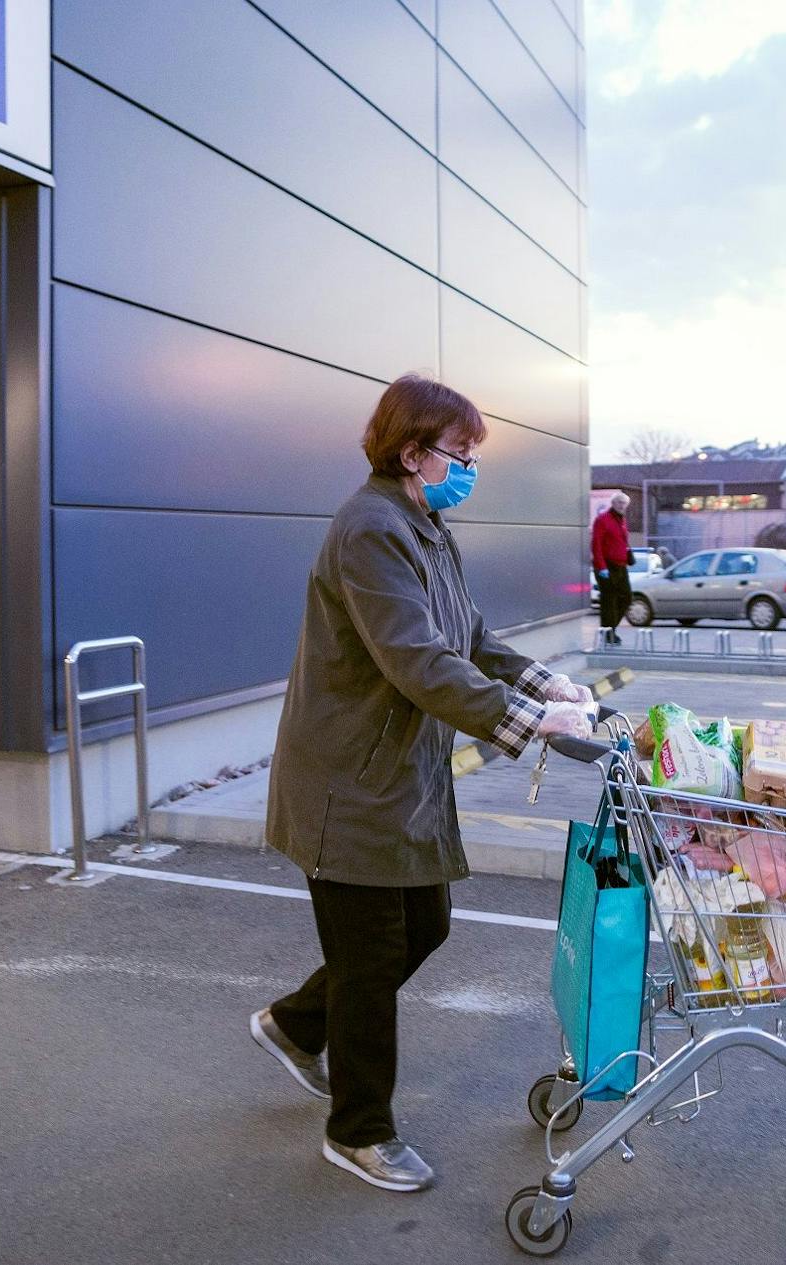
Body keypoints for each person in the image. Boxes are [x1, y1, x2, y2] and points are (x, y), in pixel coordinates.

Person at [252, 374, 599, 1193]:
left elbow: (469, 635)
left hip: (397, 778)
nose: (470, 468)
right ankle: (358, 1129)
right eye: (461, 453)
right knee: (370, 958)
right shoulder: (370, 529)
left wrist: (546, 684)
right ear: (413, 452)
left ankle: (296, 1024)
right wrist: (523, 721)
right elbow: (416, 658)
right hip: (350, 785)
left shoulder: (425, 525)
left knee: (426, 926)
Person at [592, 490, 633, 645]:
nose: (622, 506)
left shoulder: (621, 521)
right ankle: (608, 634)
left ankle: (611, 628)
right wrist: (601, 567)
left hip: (621, 566)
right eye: (619, 502)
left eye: (624, 503)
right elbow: (596, 544)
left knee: (626, 597)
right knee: (609, 602)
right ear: (613, 504)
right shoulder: (603, 520)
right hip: (607, 566)